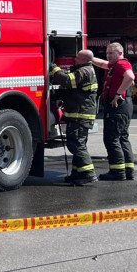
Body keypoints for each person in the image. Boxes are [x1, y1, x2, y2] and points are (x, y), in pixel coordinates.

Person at [48, 49, 99, 186]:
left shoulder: (84, 71)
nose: (75, 59)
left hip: (80, 115)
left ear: (83, 59)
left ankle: (89, 174)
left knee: (76, 145)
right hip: (80, 115)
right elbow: (75, 90)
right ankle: (78, 174)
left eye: (77, 57)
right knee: (78, 144)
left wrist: (53, 68)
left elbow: (66, 81)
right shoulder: (87, 70)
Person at [92, 42, 136, 181]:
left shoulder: (122, 64)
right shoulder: (115, 65)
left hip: (118, 106)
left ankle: (117, 172)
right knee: (122, 137)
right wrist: (89, 58)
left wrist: (117, 94)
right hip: (124, 106)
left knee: (111, 138)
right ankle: (128, 170)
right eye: (107, 53)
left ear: (120, 53)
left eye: (111, 53)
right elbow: (103, 64)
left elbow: (130, 77)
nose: (108, 56)